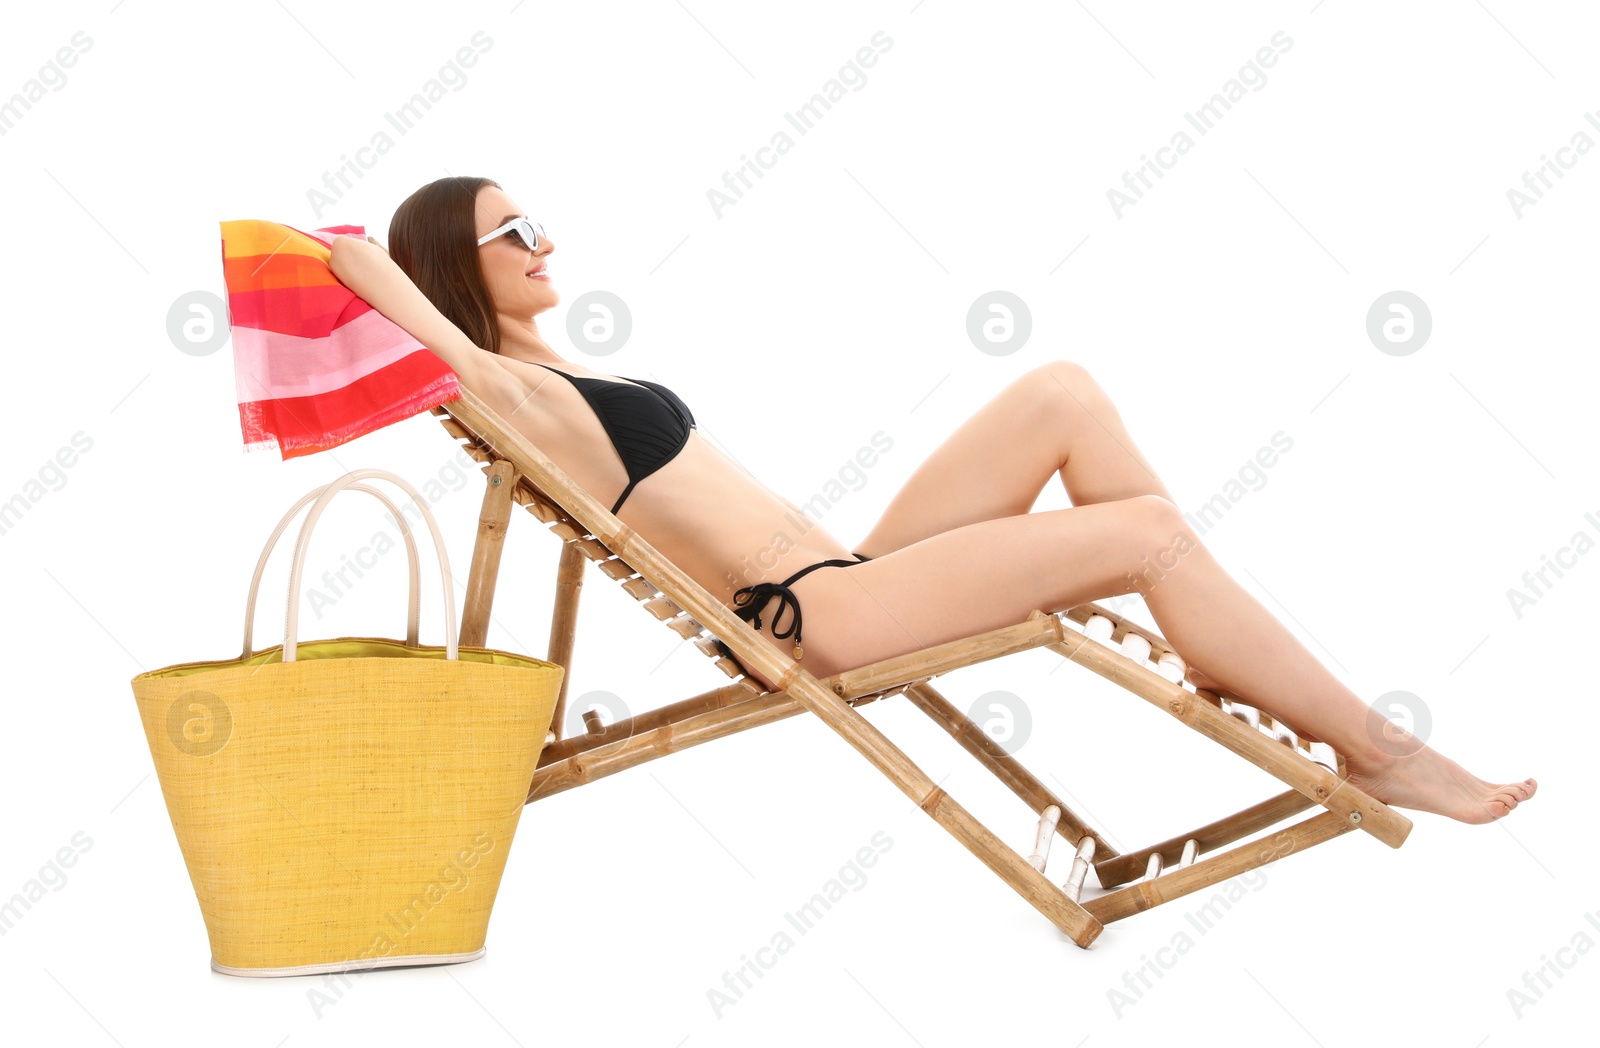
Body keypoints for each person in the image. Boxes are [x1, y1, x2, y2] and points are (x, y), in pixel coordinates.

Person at [327, 175, 1536, 826]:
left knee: (1059, 390)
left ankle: (1211, 635)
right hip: (817, 617)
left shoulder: (565, 363)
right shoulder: (509, 387)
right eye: (513, 230)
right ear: (450, 266)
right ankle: (1376, 747)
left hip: (851, 573)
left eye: (540, 220)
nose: (547, 240)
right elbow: (390, 293)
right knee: (1149, 535)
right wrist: (330, 247)